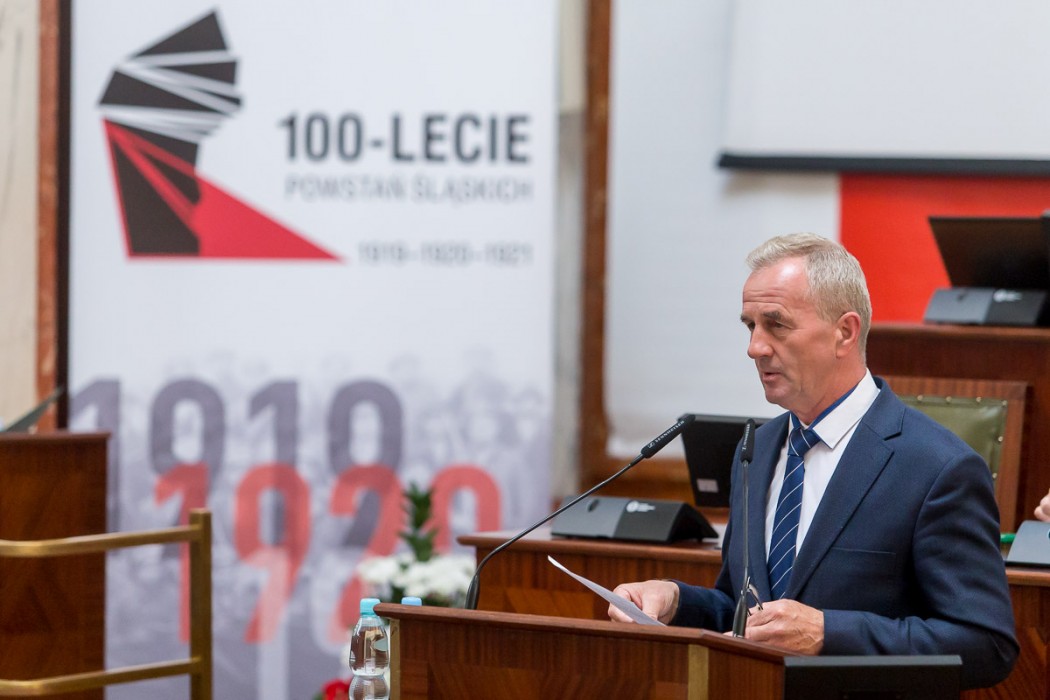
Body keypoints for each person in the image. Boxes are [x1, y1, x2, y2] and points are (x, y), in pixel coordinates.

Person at [608, 233, 1018, 689]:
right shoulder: (757, 448)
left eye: (776, 325)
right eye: (750, 326)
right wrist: (676, 600)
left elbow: (986, 645)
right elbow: (749, 613)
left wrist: (829, 634)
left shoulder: (938, 467)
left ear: (845, 332)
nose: (755, 347)